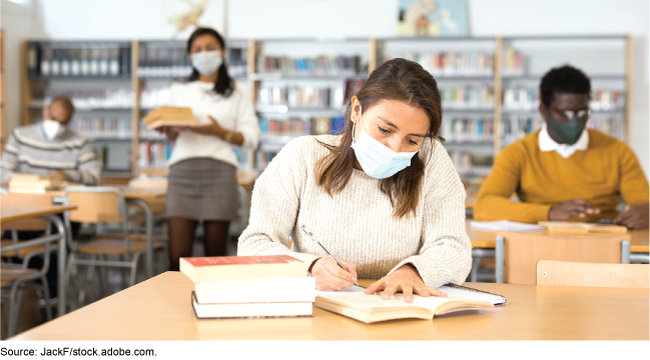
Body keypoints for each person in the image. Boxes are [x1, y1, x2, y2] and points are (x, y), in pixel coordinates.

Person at [238, 58, 472, 303]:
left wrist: (414, 271)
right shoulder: (302, 156)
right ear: (357, 111)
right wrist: (310, 266)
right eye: (384, 129)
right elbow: (255, 243)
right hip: (320, 308)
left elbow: (453, 247)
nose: (394, 148)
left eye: (412, 141)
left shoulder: (431, 159)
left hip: (399, 308)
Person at [474, 65, 649, 229]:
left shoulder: (617, 151)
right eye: (564, 113)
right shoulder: (518, 153)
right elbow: (484, 206)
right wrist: (550, 213)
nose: (573, 121)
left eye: (581, 113)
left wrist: (646, 213)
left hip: (602, 241)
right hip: (541, 243)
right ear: (544, 110)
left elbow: (644, 203)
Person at [160, 27, 260, 271]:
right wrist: (168, 129)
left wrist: (218, 131)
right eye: (197, 50)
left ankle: (212, 307)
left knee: (215, 255)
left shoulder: (239, 90)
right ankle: (176, 307)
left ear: (223, 52)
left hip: (220, 173)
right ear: (189, 55)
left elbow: (251, 138)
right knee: (177, 256)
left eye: (210, 48)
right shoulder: (179, 88)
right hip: (182, 171)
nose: (204, 54)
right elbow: (174, 134)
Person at [0, 96, 101, 186]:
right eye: (53, 118)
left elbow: (95, 177)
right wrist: (21, 178)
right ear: (45, 110)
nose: (56, 125)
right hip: (28, 198)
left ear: (70, 120)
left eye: (62, 122)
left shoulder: (80, 143)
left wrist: (69, 175)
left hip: (64, 201)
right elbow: (2, 172)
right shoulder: (20, 136)